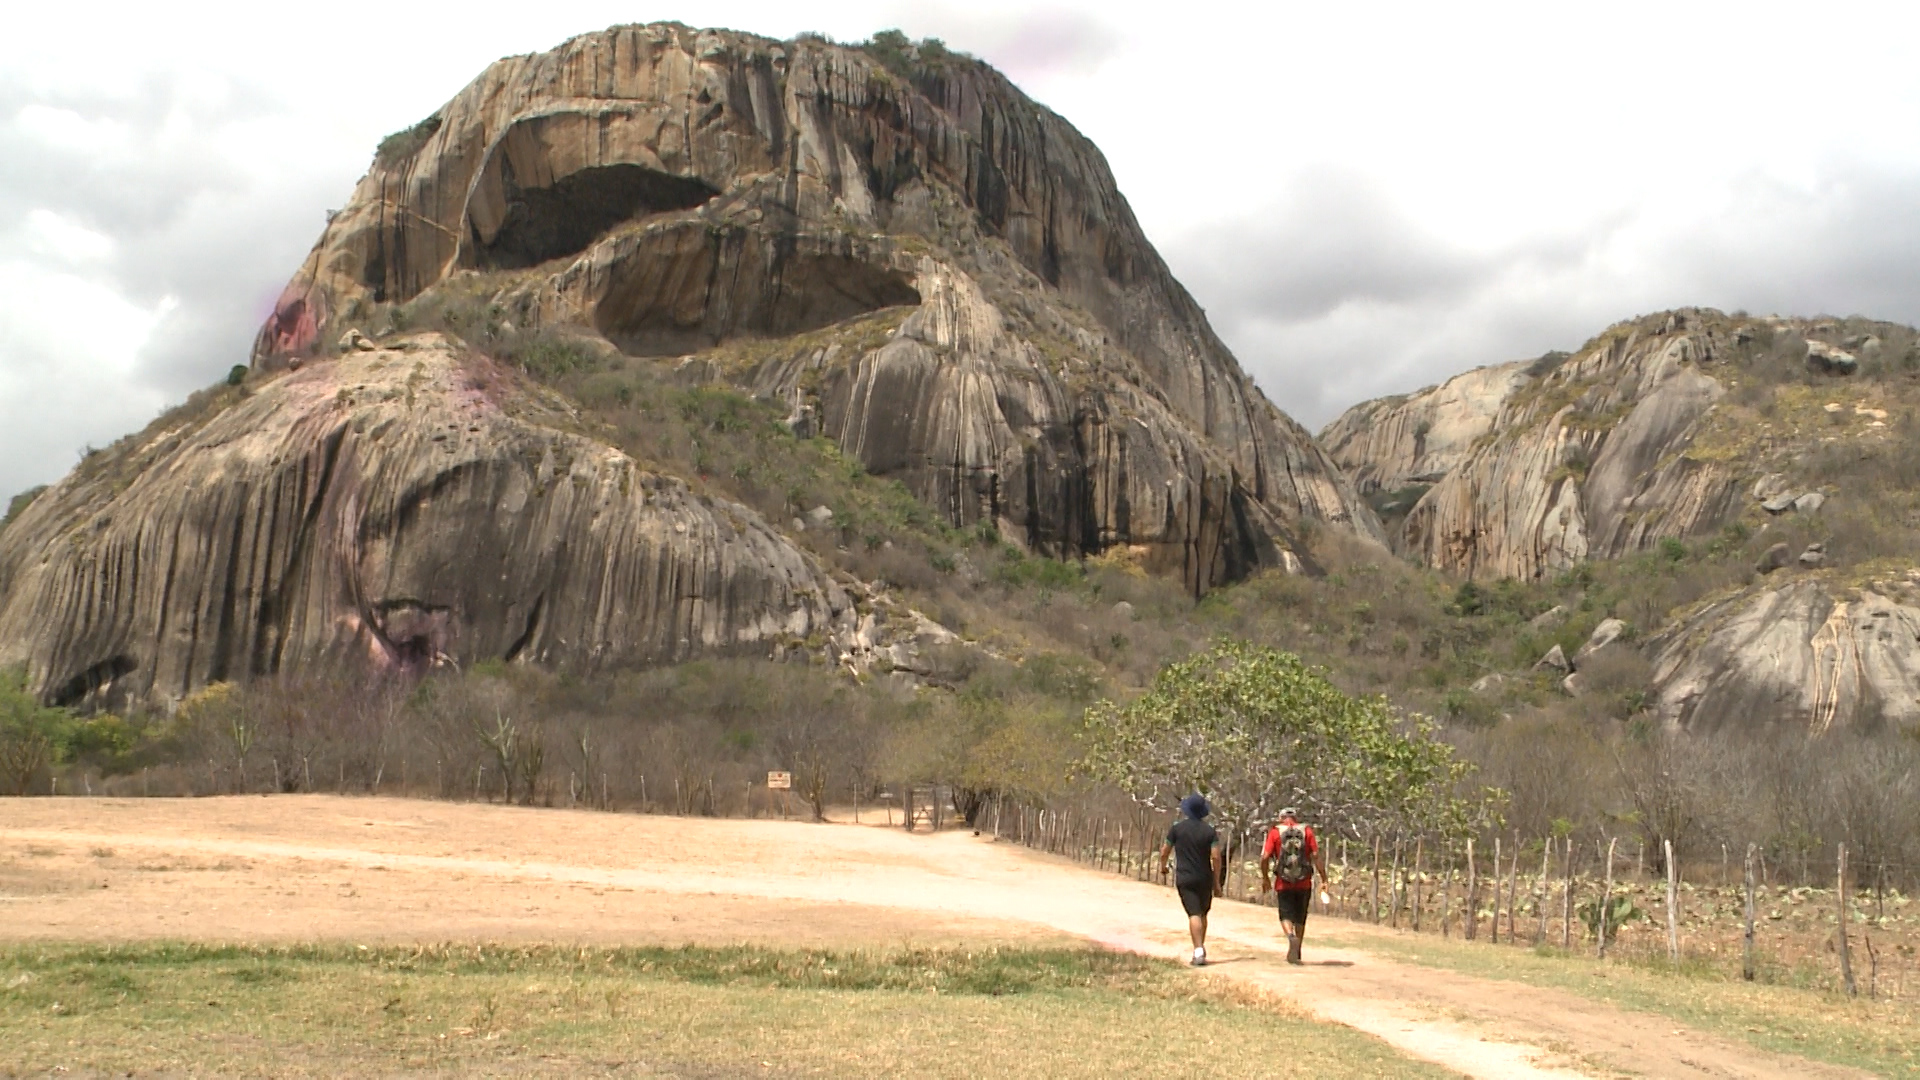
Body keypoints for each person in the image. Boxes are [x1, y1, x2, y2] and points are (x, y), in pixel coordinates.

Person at [1158, 793, 1224, 966]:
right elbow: (1216, 857)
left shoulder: (1177, 828)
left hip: (1185, 877)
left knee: (1193, 913)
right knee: (1202, 913)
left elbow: (1164, 850)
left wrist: (1163, 866)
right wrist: (1216, 882)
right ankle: (1200, 947)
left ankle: (1198, 950)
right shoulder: (1209, 831)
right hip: (1204, 877)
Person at [1260, 807, 1328, 965]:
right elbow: (1316, 855)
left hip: (1283, 882)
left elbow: (1264, 857)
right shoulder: (1307, 831)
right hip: (1304, 881)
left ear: (1281, 817)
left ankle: (1291, 937)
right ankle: (1297, 951)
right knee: (1301, 916)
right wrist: (1324, 878)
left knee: (1285, 915)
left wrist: (1265, 877)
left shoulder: (1275, 832)